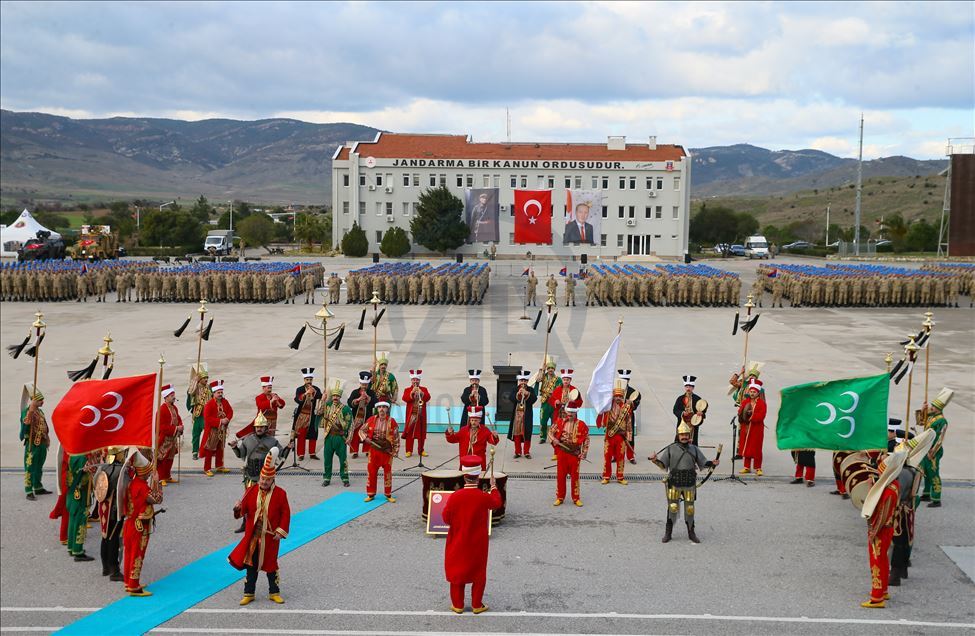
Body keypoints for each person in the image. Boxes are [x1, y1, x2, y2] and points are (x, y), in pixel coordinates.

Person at [842, 451, 906, 608]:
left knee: (876, 561)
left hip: (881, 529)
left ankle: (877, 597)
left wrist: (873, 532)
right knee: (883, 559)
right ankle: (883, 590)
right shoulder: (893, 484)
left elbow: (882, 515)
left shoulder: (889, 490)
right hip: (886, 528)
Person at [230, 447, 291, 606]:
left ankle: (274, 593)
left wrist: (281, 531)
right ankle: (249, 593)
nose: (264, 482)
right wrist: (237, 508)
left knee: (271, 566)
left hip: (270, 537)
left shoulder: (281, 494)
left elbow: (286, 514)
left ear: (273, 480)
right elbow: (242, 512)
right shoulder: (251, 491)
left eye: (267, 480)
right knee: (251, 565)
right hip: (253, 537)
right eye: (262, 479)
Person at [443, 455, 503, 614]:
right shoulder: (483, 497)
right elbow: (496, 502)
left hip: (458, 540)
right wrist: (494, 487)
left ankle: (458, 604)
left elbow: (446, 518)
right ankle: (477, 604)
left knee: (457, 571)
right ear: (478, 477)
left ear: (464, 476)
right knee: (478, 573)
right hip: (478, 542)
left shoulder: (455, 496)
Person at [650, 421, 720, 543]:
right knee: (672, 507)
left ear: (689, 435)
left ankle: (691, 532)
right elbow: (663, 465)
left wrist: (712, 463)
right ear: (678, 435)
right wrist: (655, 460)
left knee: (690, 509)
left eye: (686, 434)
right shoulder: (671, 448)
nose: (684, 437)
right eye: (682, 434)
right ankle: (668, 533)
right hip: (674, 483)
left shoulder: (694, 449)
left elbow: (703, 462)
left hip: (689, 483)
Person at [230, 412, 291, 531]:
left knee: (268, 499)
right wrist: (234, 447)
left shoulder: (272, 441)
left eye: (261, 427)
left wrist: (288, 447)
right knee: (247, 500)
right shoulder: (247, 439)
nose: (259, 429)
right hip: (250, 475)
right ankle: (245, 523)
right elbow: (240, 454)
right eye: (257, 427)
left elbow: (281, 454)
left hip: (265, 476)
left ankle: (269, 521)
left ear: (266, 428)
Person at [123, 450, 162, 597]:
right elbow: (157, 499)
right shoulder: (142, 487)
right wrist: (157, 483)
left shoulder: (132, 483)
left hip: (130, 523)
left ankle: (128, 582)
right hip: (139, 526)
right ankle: (134, 586)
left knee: (129, 553)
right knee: (137, 554)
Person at [95, 448, 126, 581]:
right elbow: (126, 488)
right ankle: (114, 570)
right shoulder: (122, 471)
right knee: (113, 538)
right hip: (115, 509)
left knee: (105, 537)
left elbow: (96, 483)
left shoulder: (102, 467)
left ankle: (105, 567)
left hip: (103, 507)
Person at [550, 405, 589, 507]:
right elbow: (550, 432)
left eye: (572, 412)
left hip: (574, 453)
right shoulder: (560, 422)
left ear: (576, 413)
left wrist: (584, 452)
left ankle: (576, 498)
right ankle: (560, 497)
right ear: (566, 412)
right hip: (562, 452)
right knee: (560, 476)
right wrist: (554, 439)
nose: (570, 414)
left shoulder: (581, 424)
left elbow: (586, 439)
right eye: (569, 412)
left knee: (575, 476)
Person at [919, 387, 952, 507]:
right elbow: (920, 422)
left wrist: (932, 452)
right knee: (926, 472)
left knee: (933, 473)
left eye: (934, 406)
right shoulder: (931, 416)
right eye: (932, 405)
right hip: (926, 447)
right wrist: (922, 410)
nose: (931, 407)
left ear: (939, 408)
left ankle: (936, 498)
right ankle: (927, 493)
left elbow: (940, 439)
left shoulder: (942, 421)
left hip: (933, 450)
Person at [360, 401, 399, 502]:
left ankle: (388, 494)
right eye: (380, 407)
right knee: (371, 472)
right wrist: (365, 438)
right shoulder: (371, 420)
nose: (381, 409)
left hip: (387, 451)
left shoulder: (392, 421)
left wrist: (395, 451)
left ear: (387, 409)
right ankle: (371, 494)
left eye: (384, 407)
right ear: (377, 409)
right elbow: (361, 430)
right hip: (374, 450)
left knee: (387, 473)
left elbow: (396, 437)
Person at [596, 380, 633, 485]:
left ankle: (620, 476)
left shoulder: (626, 408)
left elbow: (628, 422)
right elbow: (601, 410)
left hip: (620, 436)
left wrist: (629, 436)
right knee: (607, 456)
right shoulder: (608, 406)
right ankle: (606, 476)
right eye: (616, 396)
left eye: (620, 396)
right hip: (609, 435)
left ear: (622, 397)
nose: (618, 398)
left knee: (620, 457)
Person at [319, 379, 352, 487]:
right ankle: (327, 478)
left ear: (340, 396)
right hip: (329, 436)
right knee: (327, 459)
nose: (335, 398)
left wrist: (349, 438)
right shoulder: (327, 405)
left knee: (343, 459)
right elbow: (317, 412)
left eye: (337, 396)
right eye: (333, 396)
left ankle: (345, 478)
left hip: (340, 437)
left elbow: (351, 424)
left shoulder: (345, 409)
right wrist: (322, 399)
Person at [20, 386, 51, 500]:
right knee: (30, 467)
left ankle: (38, 486)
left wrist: (47, 438)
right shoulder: (27, 412)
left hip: (41, 444)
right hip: (32, 444)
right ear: (34, 401)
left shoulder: (40, 412)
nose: (42, 402)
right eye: (40, 400)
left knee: (39, 466)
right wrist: (30, 412)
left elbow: (44, 426)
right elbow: (25, 426)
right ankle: (29, 490)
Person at [66, 452, 96, 561]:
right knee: (80, 522)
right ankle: (78, 550)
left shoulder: (72, 455)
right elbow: (82, 481)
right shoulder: (82, 458)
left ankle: (71, 547)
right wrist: (89, 472)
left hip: (72, 494)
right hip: (80, 496)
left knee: (72, 521)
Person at [201, 379, 234, 476]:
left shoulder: (225, 402)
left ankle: (219, 465)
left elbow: (230, 411)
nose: (220, 394)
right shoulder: (209, 404)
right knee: (209, 449)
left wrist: (227, 419)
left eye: (221, 392)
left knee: (220, 447)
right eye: (218, 392)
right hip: (212, 431)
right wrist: (220, 421)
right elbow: (207, 418)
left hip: (222, 430)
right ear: (214, 393)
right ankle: (207, 468)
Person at [736, 379, 767, 475]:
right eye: (751, 391)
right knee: (746, 447)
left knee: (757, 448)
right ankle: (746, 467)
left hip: (756, 428)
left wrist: (752, 414)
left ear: (758, 393)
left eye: (754, 392)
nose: (752, 393)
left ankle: (758, 468)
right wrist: (742, 413)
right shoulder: (745, 402)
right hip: (746, 427)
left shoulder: (762, 403)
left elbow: (762, 415)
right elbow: (740, 412)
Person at [156, 383, 183, 485]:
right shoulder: (162, 409)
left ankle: (167, 476)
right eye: (172, 396)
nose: (174, 397)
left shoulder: (174, 408)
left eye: (173, 395)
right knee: (162, 458)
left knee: (170, 458)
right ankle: (160, 477)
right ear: (166, 397)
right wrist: (176, 428)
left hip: (173, 438)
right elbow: (161, 426)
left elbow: (178, 419)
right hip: (164, 438)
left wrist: (181, 426)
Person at [292, 369, 322, 461]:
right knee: (301, 434)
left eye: (310, 379)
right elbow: (297, 400)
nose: (309, 381)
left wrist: (320, 394)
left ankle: (312, 453)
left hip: (312, 415)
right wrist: (306, 393)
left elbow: (320, 396)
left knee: (313, 433)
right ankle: (301, 454)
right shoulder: (300, 389)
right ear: (304, 380)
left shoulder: (316, 389)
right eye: (307, 379)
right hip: (302, 415)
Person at [506, 370, 537, 458]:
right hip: (517, 416)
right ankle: (517, 452)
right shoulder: (515, 389)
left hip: (527, 416)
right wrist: (518, 394)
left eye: (525, 380)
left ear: (527, 381)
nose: (523, 382)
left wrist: (527, 394)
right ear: (519, 381)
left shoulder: (530, 389)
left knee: (527, 433)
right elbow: (511, 398)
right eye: (521, 380)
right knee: (516, 433)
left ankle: (526, 452)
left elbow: (534, 399)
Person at [402, 370, 432, 458]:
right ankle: (408, 450)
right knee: (409, 432)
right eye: (414, 380)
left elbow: (428, 398)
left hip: (421, 414)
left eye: (417, 380)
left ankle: (421, 450)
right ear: (411, 380)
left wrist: (421, 393)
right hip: (411, 415)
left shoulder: (424, 389)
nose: (415, 381)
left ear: (419, 380)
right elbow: (404, 398)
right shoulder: (407, 389)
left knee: (421, 432)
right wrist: (411, 393)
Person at [347, 371, 377, 459]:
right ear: (360, 383)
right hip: (357, 417)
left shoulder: (371, 392)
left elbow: (376, 403)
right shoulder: (355, 392)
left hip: (367, 417)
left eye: (366, 385)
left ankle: (367, 450)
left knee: (368, 433)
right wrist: (358, 400)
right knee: (355, 434)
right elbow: (349, 403)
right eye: (363, 384)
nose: (364, 386)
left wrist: (368, 399)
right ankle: (355, 451)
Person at [186, 363, 212, 460]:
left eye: (207, 377)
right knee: (196, 434)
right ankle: (195, 452)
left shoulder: (209, 388)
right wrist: (195, 381)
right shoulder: (196, 387)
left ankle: (206, 450)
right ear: (200, 379)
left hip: (207, 414)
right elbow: (190, 392)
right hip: (198, 414)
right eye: (204, 378)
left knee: (209, 433)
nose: (206, 379)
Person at [672, 375, 707, 446]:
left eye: (690, 387)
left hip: (693, 424)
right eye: (687, 387)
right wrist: (682, 413)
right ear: (684, 387)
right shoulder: (680, 398)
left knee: (692, 442)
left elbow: (703, 412)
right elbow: (675, 410)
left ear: (693, 388)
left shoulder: (697, 398)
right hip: (682, 423)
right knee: (679, 440)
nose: (688, 388)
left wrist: (701, 414)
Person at [534, 357, 561, 446]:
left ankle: (553, 437)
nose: (550, 370)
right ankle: (543, 437)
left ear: (554, 369)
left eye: (552, 368)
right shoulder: (543, 376)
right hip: (545, 402)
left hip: (553, 403)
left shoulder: (558, 379)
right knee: (543, 420)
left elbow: (559, 390)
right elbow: (537, 379)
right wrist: (541, 370)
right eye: (549, 368)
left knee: (554, 421)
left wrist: (553, 394)